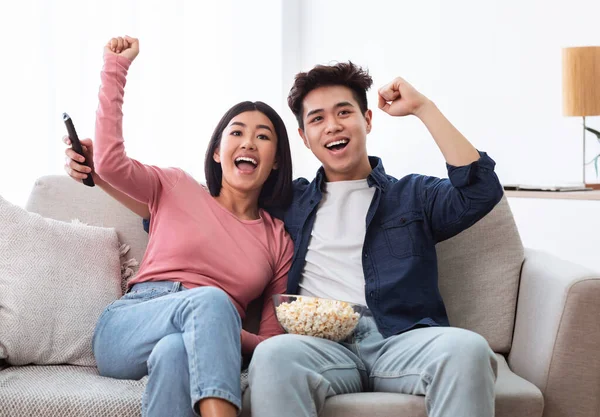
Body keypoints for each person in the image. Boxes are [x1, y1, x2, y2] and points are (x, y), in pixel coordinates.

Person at [66, 57, 504, 416]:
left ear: (367, 119)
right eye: (318, 119)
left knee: (467, 349)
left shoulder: (413, 196)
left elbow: (481, 191)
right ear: (304, 138)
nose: (332, 126)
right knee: (274, 357)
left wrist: (424, 107)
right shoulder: (289, 204)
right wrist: (97, 175)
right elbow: (197, 214)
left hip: (401, 338)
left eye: (344, 113)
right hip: (318, 346)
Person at [67, 36, 294, 417]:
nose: (249, 142)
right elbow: (108, 163)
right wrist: (115, 69)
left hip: (193, 339)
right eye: (237, 132)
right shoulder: (175, 186)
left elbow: (270, 344)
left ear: (275, 162)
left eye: (263, 136)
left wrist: (217, 331)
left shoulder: (278, 240)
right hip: (131, 324)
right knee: (212, 300)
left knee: (175, 353)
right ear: (218, 152)